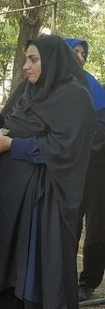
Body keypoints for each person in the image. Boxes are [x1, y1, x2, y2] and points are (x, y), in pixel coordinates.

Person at [0, 35, 95, 308]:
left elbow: (66, 148)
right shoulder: (27, 90)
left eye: (33, 59)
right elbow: (14, 127)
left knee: (31, 267)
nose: (26, 67)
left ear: (52, 61)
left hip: (42, 199)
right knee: (5, 257)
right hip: (11, 193)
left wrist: (14, 146)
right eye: (25, 60)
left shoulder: (75, 97)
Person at [65, 37, 105, 301]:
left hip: (96, 165)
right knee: (67, 220)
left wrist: (76, 146)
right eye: (75, 50)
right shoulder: (46, 82)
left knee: (97, 225)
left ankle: (88, 282)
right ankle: (62, 275)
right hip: (67, 166)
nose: (80, 55)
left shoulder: (92, 86)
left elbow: (100, 126)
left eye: (83, 53)